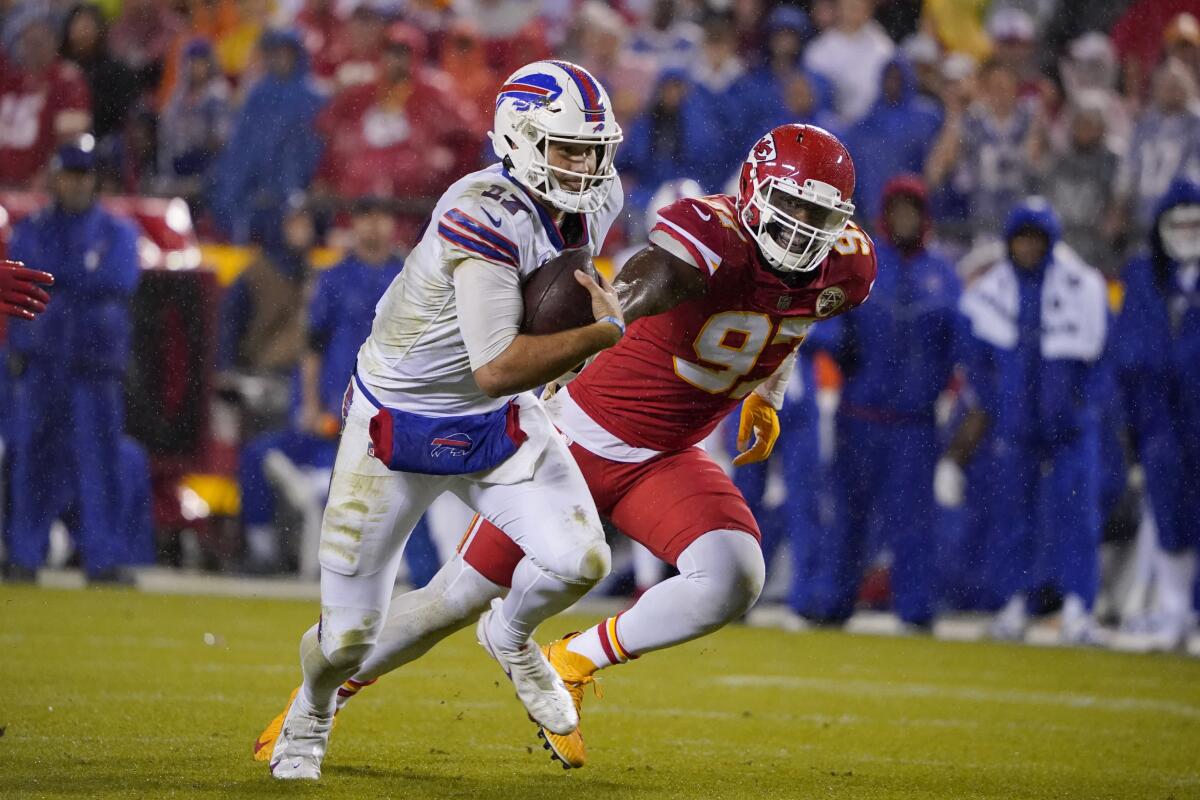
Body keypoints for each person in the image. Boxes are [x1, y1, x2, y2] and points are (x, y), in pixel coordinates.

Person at [289, 124, 878, 770]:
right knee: (450, 602)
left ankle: (571, 658)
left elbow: (792, 317)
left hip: (665, 457)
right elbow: (656, 275)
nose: (799, 225)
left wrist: (769, 392)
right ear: (755, 190)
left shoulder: (847, 266)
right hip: (575, 442)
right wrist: (612, 315)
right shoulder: (712, 235)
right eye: (790, 205)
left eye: (816, 213)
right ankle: (321, 695)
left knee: (736, 574)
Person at [257, 60, 626, 781]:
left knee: (582, 559)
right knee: (348, 639)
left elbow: (539, 324)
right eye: (568, 148)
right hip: (400, 423)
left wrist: (574, 342)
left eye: (594, 149)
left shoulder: (597, 196)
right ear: (519, 139)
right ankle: (314, 703)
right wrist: (595, 339)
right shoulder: (480, 212)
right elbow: (496, 360)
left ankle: (513, 637)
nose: (586, 167)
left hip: (495, 420)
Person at [810, 175, 963, 629]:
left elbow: (960, 346)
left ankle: (916, 610)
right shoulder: (862, 264)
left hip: (914, 422)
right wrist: (837, 344)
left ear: (924, 218)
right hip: (859, 414)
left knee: (914, 523)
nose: (903, 219)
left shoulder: (943, 275)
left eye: (911, 211)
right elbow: (823, 318)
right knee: (846, 517)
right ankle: (834, 600)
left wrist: (945, 389)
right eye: (896, 210)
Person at [956, 198, 1109, 644]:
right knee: (1012, 517)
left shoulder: (1083, 285)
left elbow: (1101, 358)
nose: (1027, 247)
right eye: (1021, 238)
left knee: (1077, 515)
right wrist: (997, 404)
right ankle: (1013, 604)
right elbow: (976, 360)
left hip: (1070, 425)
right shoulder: (993, 291)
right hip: (1016, 424)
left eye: (1035, 239)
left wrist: (1084, 405)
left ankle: (1079, 607)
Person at [2, 136, 144, 583]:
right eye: (69, 174)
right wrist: (80, 275)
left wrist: (61, 279)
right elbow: (26, 277)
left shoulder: (118, 231)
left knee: (100, 461)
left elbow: (120, 279)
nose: (76, 184)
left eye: (83, 175)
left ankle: (101, 557)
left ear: (94, 179)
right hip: (44, 362)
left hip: (95, 365)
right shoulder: (34, 227)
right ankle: (26, 553)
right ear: (55, 177)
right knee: (34, 460)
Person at [1110, 180, 1200, 651]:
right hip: (1159, 413)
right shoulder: (1144, 275)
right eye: (1177, 223)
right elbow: (1127, 346)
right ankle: (1173, 612)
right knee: (1169, 512)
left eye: (1194, 223)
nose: (1186, 232)